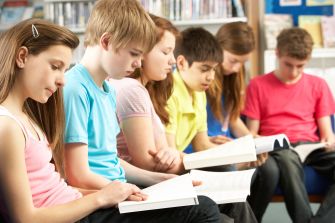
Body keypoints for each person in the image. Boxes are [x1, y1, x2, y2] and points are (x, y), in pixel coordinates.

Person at [0, 18, 193, 223]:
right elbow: (25, 218)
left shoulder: (27, 117)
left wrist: (113, 194)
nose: (62, 80)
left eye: (64, 70)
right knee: (197, 210)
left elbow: (55, 190)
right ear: (22, 57)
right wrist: (100, 198)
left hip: (78, 205)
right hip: (74, 215)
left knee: (194, 206)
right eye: (55, 66)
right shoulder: (8, 126)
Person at [62, 0, 221, 222]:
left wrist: (160, 180)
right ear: (106, 41)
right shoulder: (74, 88)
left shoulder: (107, 90)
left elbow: (110, 161)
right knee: (202, 210)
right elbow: (77, 174)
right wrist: (132, 190)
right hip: (95, 203)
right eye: (134, 53)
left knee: (204, 199)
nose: (138, 64)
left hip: (115, 193)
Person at [162, 26, 258, 223]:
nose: (211, 77)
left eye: (214, 69)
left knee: (234, 190)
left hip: (183, 165)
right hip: (167, 172)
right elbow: (170, 155)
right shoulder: (170, 93)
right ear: (181, 63)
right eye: (204, 69)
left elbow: (202, 145)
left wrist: (242, 150)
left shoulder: (198, 93)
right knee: (228, 178)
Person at [242, 27, 335, 223]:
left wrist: (330, 141)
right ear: (277, 54)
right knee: (287, 157)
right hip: (278, 147)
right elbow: (251, 133)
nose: (294, 72)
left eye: (300, 66)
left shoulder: (318, 85)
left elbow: (327, 133)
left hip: (311, 148)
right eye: (288, 65)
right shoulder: (257, 85)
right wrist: (259, 140)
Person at [206, 22, 279, 222]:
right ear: (217, 48)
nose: (236, 67)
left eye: (242, 62)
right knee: (254, 169)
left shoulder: (234, 77)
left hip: (229, 144)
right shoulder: (204, 76)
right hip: (211, 145)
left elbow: (234, 119)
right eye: (232, 60)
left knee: (270, 169)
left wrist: (252, 139)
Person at [111, 14, 184, 174]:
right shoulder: (131, 90)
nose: (173, 61)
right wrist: (183, 158)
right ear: (142, 52)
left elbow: (164, 154)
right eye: (166, 52)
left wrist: (174, 154)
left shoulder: (137, 88)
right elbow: (151, 164)